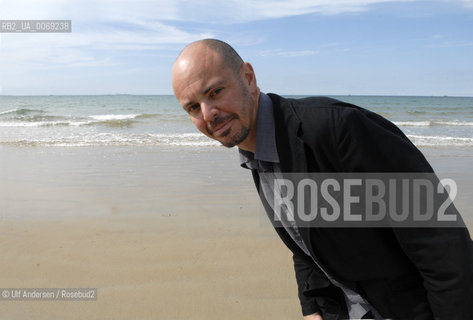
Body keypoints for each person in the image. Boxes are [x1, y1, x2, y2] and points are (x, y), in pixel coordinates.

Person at [171, 39, 473, 320]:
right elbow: (305, 241)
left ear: (248, 77)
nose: (209, 113)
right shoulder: (257, 156)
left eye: (215, 92)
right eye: (193, 107)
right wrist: (313, 306)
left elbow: (442, 245)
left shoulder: (338, 129)